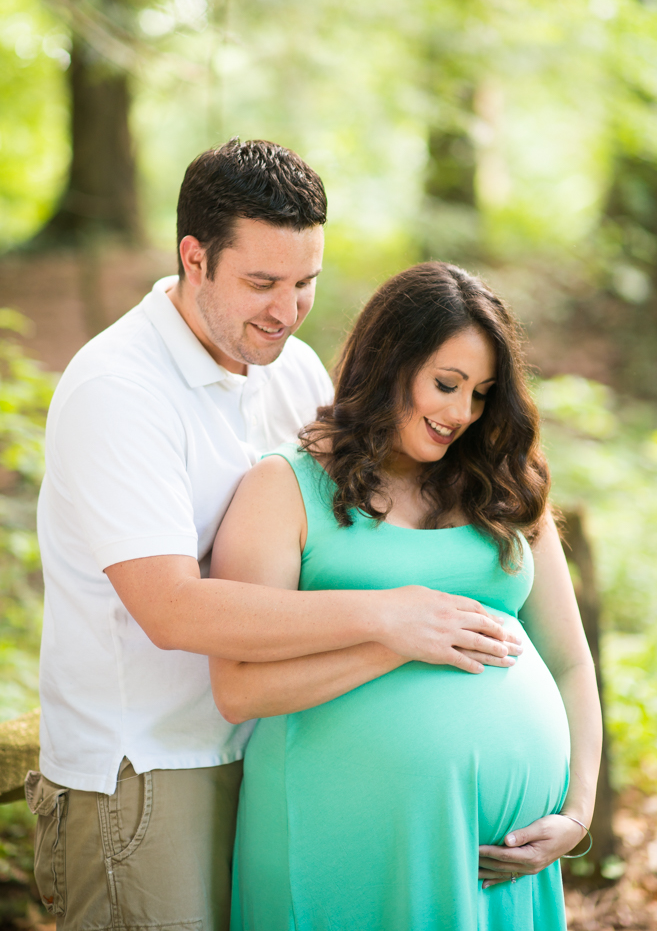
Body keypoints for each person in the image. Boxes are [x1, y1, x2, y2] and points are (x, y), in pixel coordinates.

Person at [30, 143, 522, 931]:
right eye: (261, 283)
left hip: (275, 750)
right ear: (194, 259)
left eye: (304, 284)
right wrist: (388, 618)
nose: (287, 311)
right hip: (150, 770)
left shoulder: (289, 370)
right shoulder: (118, 389)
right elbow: (172, 611)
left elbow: (348, 529)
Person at [209, 261, 603, 931]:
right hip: (344, 844)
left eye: (479, 394)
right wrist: (392, 639)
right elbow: (238, 689)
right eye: (444, 384)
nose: (460, 414)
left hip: (505, 868)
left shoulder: (504, 488)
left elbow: (569, 662)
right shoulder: (283, 490)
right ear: (388, 363)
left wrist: (577, 813)